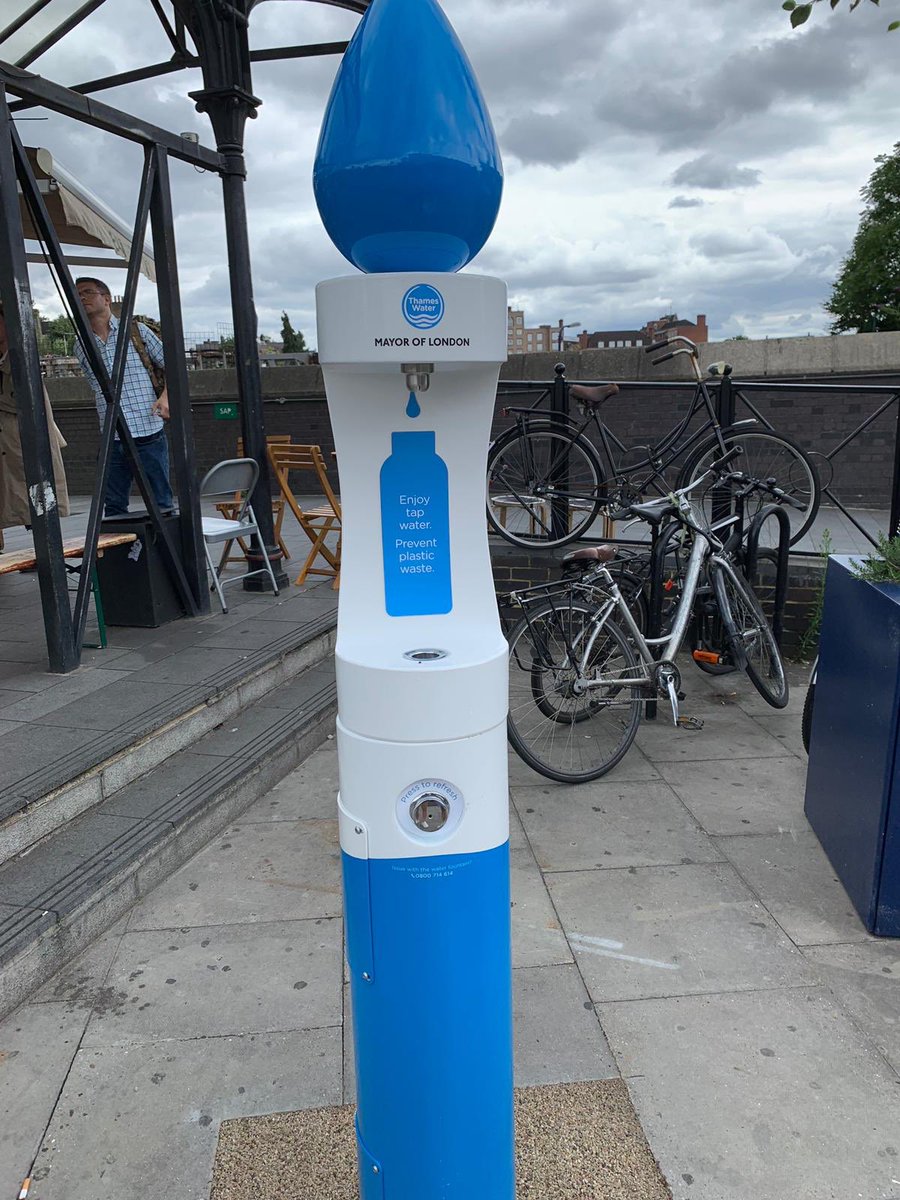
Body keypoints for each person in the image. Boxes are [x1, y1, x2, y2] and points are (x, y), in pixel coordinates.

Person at [74, 277, 173, 517]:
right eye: (78, 295)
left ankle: (165, 552)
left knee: (162, 503)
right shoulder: (81, 345)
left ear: (106, 299)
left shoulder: (135, 331)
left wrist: (166, 398)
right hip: (112, 434)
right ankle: (121, 554)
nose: (82, 298)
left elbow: (174, 365)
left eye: (88, 292)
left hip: (147, 429)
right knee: (113, 507)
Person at [0, 304, 70, 544]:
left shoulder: (20, 358)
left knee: (40, 501)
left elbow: (20, 400)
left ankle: (50, 548)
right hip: (9, 446)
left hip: (26, 444)